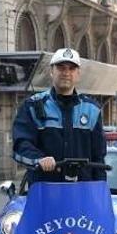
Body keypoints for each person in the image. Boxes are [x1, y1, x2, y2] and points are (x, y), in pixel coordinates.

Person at [12, 47, 106, 185]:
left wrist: (100, 196)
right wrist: (39, 159)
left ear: (78, 74)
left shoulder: (92, 110)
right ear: (51, 71)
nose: (66, 73)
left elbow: (99, 158)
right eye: (61, 68)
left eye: (71, 68)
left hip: (82, 196)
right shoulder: (32, 106)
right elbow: (20, 145)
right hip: (45, 193)